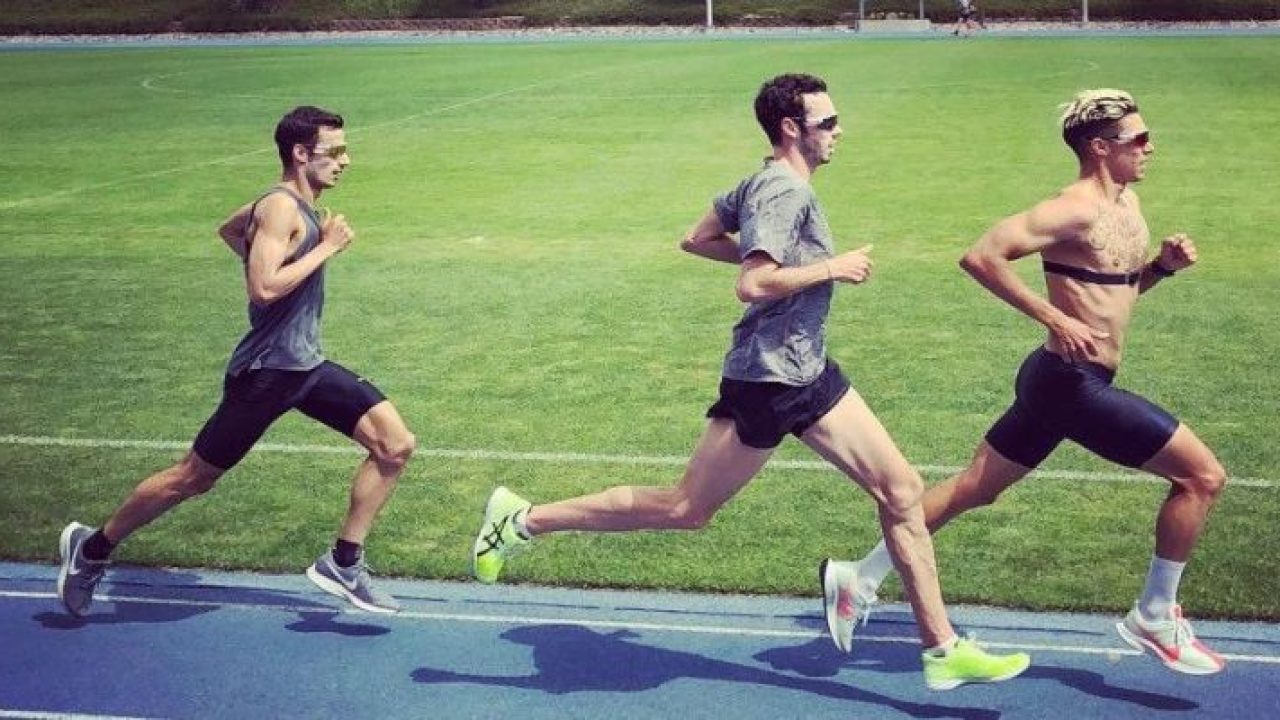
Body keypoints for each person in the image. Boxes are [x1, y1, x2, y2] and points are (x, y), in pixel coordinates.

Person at [469, 73, 1030, 691]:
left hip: (805, 368)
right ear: (791, 129)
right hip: (771, 378)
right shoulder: (784, 191)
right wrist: (831, 268)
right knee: (685, 508)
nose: (839, 131)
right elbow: (754, 283)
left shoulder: (760, 181)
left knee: (900, 489)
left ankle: (936, 645)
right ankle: (523, 520)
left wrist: (797, 266)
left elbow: (698, 238)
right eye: (827, 123)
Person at [823, 89, 1227, 675]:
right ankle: (1156, 615)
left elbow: (1113, 295)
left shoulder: (1128, 204)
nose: (1150, 146)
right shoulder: (1072, 209)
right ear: (1100, 148)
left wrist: (1161, 268)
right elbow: (981, 256)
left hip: (1057, 380)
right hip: (1070, 384)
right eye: (1138, 138)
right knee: (1202, 477)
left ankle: (858, 578)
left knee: (974, 489)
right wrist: (1054, 318)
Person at [57, 106, 416, 616]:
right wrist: (325, 249)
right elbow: (263, 288)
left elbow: (229, 229)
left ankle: (343, 561)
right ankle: (91, 549)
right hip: (265, 374)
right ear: (300, 153)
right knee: (192, 478)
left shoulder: (286, 205)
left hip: (304, 367)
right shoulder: (281, 208)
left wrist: (277, 248)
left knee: (394, 445)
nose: (345, 160)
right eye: (334, 151)